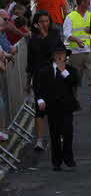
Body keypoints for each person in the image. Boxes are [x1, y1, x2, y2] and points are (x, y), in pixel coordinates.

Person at [34, 44, 79, 171]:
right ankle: (56, 161)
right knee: (54, 134)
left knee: (68, 131)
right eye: (57, 54)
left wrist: (63, 71)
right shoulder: (45, 71)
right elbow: (38, 86)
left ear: (66, 56)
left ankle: (68, 158)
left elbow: (74, 82)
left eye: (62, 54)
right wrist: (40, 99)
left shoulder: (70, 69)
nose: (60, 56)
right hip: (52, 106)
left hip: (67, 106)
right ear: (53, 56)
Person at [28, 10, 64, 152]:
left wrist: (44, 35)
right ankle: (39, 140)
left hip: (54, 75)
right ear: (36, 23)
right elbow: (31, 60)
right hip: (39, 77)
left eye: (46, 21)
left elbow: (56, 51)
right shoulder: (33, 39)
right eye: (41, 21)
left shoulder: (54, 35)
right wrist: (28, 79)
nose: (44, 24)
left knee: (56, 107)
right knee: (40, 109)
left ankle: (59, 135)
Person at [63, 0, 91, 108]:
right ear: (82, 3)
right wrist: (76, 40)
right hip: (75, 53)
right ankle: (74, 100)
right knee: (76, 79)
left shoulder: (90, 15)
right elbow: (66, 33)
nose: (90, 3)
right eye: (88, 2)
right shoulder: (70, 17)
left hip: (88, 51)